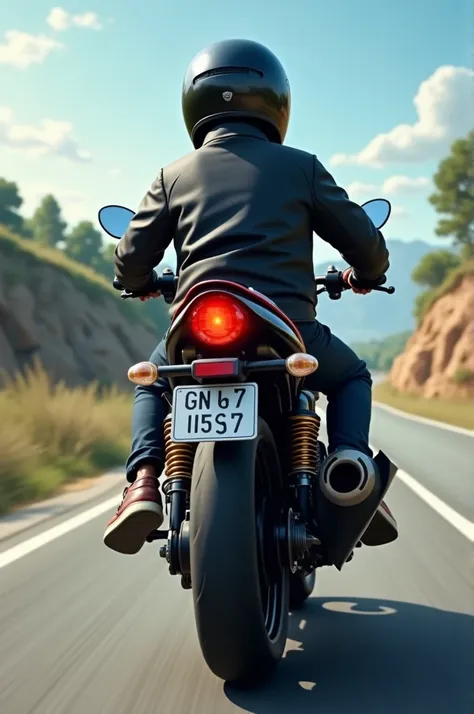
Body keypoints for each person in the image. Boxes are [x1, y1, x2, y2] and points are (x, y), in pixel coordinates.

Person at [103, 39, 398, 555]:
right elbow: (365, 244)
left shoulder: (172, 176)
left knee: (153, 382)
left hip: (193, 329)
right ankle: (348, 465)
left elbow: (130, 262)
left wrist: (141, 282)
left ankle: (145, 481)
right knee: (351, 375)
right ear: (276, 101)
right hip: (287, 326)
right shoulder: (300, 166)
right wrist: (363, 272)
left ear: (193, 105)